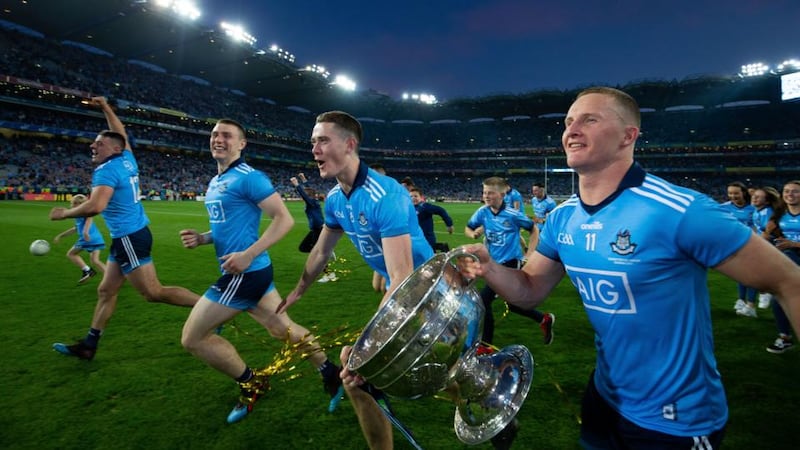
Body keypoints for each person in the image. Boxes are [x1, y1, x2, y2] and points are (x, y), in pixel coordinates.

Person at [459, 87, 800, 449]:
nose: (571, 130)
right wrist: (489, 268)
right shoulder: (562, 218)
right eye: (569, 121)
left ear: (628, 136)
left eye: (590, 119)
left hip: (676, 417)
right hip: (604, 396)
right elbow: (529, 290)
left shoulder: (678, 210)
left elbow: (789, 281)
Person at [276, 111, 438, 449]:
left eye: (322, 140)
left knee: (357, 371)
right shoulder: (335, 199)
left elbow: (401, 277)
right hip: (404, 288)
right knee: (388, 376)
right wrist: (298, 290)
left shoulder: (386, 196)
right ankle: (474, 387)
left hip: (428, 290)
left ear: (349, 145)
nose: (314, 149)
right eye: (312, 142)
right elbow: (321, 252)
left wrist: (369, 342)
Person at [179, 119, 341, 423]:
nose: (218, 139)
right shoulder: (216, 181)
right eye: (215, 134)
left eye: (227, 135)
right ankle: (331, 373)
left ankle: (252, 383)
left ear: (242, 144)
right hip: (253, 270)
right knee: (282, 329)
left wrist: (247, 255)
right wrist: (204, 238)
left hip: (244, 274)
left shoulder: (249, 177)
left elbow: (284, 220)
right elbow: (230, 227)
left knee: (192, 337)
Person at [49, 96, 198, 361]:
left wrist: (65, 213)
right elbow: (121, 133)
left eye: (100, 143)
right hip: (128, 236)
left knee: (153, 293)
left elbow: (95, 206)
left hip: (130, 237)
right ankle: (89, 346)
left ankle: (211, 309)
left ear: (114, 149)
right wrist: (106, 108)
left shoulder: (106, 171)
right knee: (106, 291)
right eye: (94, 141)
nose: (93, 145)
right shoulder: (127, 158)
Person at [465, 176, 555, 346]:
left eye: (490, 193)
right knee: (513, 304)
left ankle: (486, 345)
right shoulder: (482, 212)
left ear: (502, 194)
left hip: (510, 263)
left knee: (483, 301)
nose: (486, 196)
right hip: (492, 263)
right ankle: (543, 319)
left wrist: (529, 254)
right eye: (484, 192)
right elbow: (468, 228)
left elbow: (533, 229)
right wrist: (474, 234)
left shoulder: (513, 215)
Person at [762, 180, 800, 354]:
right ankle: (785, 337)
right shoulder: (779, 214)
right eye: (786, 191)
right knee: (779, 297)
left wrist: (794, 243)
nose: (790, 195)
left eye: (795, 192)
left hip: (793, 254)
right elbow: (766, 236)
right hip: (789, 259)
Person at [290, 172, 337, 283]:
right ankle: (328, 252)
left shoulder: (312, 202)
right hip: (316, 230)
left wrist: (297, 184)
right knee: (304, 248)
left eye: (307, 195)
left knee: (317, 253)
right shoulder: (312, 202)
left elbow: (305, 194)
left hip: (318, 230)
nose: (305, 196)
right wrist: (303, 178)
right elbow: (309, 190)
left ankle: (329, 274)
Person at [53, 194, 107, 284]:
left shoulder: (85, 212)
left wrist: (85, 232)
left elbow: (89, 219)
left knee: (71, 254)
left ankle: (88, 271)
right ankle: (111, 278)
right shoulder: (79, 215)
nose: (72, 206)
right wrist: (61, 235)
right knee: (95, 261)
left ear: (80, 204)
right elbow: (75, 229)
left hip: (88, 238)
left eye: (74, 203)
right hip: (96, 238)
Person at [722, 181, 758, 317]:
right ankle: (742, 300)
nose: (733, 196)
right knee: (741, 275)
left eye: (736, 193)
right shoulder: (723, 207)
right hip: (735, 245)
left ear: (743, 193)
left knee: (753, 275)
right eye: (730, 193)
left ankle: (751, 304)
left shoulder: (753, 208)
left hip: (753, 245)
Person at [752, 186, 782, 309]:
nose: (754, 197)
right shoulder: (757, 210)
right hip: (764, 243)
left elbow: (769, 232)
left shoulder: (767, 212)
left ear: (767, 201)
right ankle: (765, 292)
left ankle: (766, 293)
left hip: (772, 245)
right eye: (754, 195)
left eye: (758, 196)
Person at [409, 187, 454, 252]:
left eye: (416, 196)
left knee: (429, 260)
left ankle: (441, 247)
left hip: (427, 239)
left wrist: (449, 225)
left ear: (421, 197)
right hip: (415, 238)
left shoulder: (425, 206)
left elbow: (441, 210)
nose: (413, 198)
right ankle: (440, 246)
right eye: (411, 196)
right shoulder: (410, 208)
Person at [530, 182, 557, 250]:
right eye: (533, 191)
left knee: (544, 248)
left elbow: (553, 219)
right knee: (535, 246)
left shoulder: (550, 203)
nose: (534, 192)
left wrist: (541, 221)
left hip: (545, 229)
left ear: (542, 190)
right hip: (535, 227)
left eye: (536, 190)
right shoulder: (534, 200)